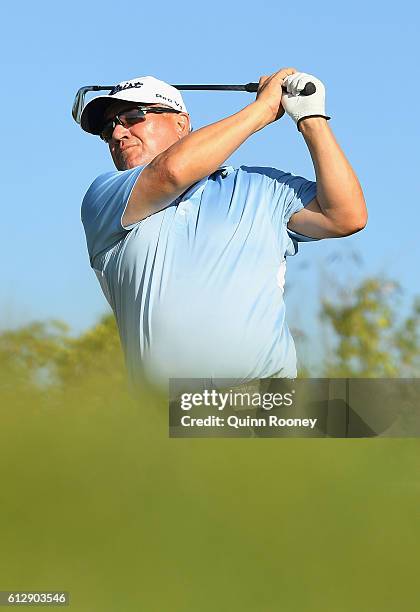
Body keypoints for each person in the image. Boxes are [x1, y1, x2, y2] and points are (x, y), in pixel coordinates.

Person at [80, 70, 367, 388]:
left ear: (181, 124)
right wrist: (262, 110)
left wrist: (311, 118)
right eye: (108, 129)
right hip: (165, 419)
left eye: (133, 117)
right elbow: (171, 173)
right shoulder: (105, 197)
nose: (118, 134)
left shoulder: (259, 186)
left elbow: (346, 216)